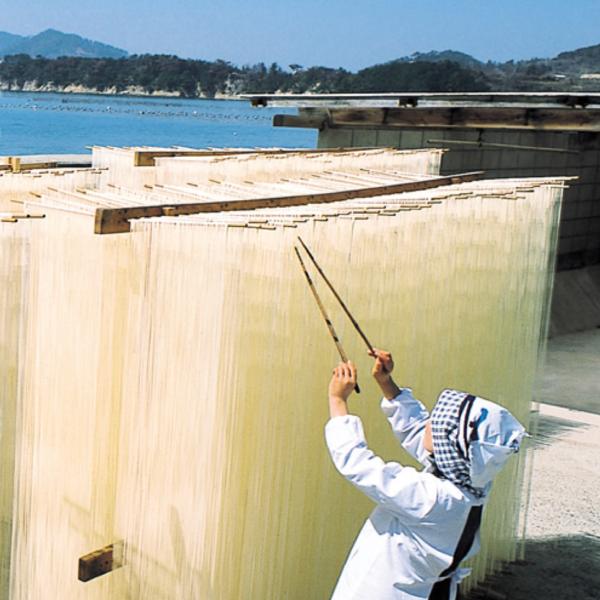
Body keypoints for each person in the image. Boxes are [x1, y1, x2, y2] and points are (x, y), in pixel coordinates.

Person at [325, 349, 527, 600]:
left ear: (450, 447)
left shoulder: (432, 499)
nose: (430, 422)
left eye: (438, 422)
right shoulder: (471, 480)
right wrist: (387, 384)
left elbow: (358, 465)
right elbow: (420, 432)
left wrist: (337, 400)